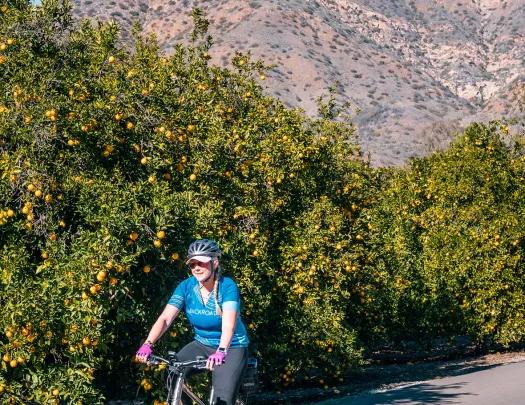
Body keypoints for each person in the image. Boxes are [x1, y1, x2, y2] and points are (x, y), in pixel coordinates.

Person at [136, 239, 249, 405]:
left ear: (214, 263)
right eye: (192, 264)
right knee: (172, 373)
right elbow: (165, 318)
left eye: (202, 263)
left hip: (231, 348)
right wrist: (148, 343)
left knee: (222, 400)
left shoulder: (227, 286)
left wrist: (222, 350)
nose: (196, 268)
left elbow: (228, 325)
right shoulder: (186, 287)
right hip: (202, 344)